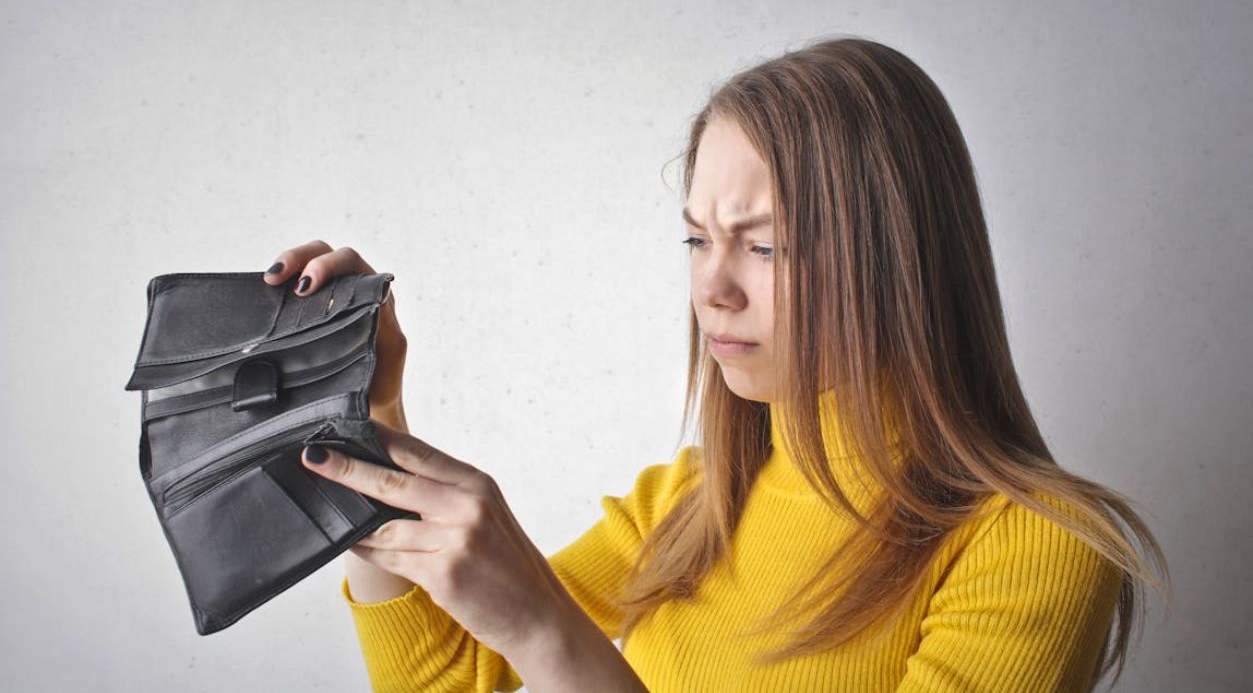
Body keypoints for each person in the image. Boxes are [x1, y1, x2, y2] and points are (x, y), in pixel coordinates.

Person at [262, 35, 1171, 692]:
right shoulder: (689, 503)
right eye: (697, 238)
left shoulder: (1035, 544)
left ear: (898, 260)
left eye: (763, 245)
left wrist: (546, 628)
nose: (711, 289)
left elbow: (531, 645)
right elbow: (453, 681)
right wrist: (364, 420)